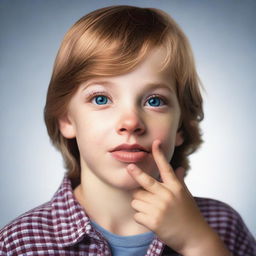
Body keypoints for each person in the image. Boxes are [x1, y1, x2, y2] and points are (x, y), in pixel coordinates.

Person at [0, 5, 255, 256]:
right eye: (101, 99)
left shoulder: (223, 226)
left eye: (154, 101)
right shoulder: (18, 243)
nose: (131, 122)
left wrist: (198, 244)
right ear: (67, 120)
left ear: (180, 125)